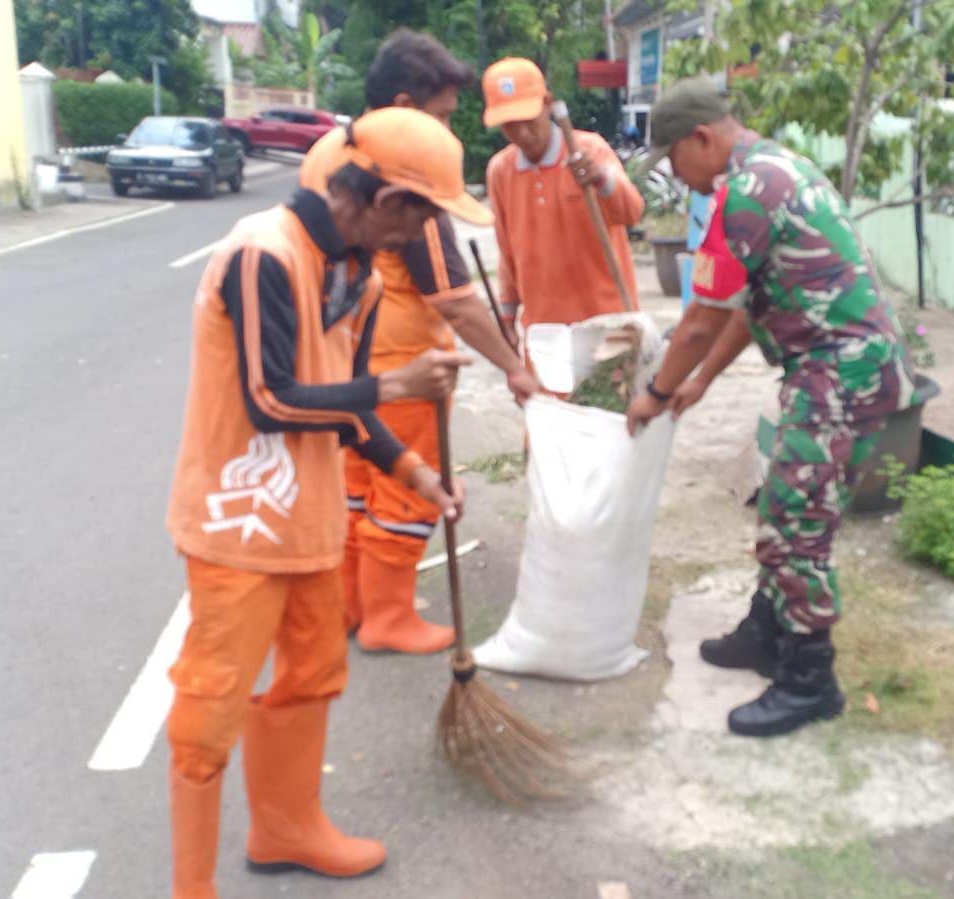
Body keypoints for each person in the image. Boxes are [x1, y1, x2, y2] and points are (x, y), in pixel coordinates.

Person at [163, 107, 491, 898]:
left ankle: (285, 827)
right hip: (237, 526)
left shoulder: (361, 274)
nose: (424, 232)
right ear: (382, 199)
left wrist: (416, 474)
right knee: (210, 711)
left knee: (312, 675)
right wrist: (396, 382)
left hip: (307, 523)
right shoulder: (260, 255)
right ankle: (191, 886)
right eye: (424, 213)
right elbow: (272, 396)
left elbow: (342, 407)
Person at [627, 78, 915, 738]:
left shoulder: (745, 192)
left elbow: (699, 318)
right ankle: (766, 629)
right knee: (790, 507)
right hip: (837, 369)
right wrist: (698, 381)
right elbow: (739, 309)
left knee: (794, 524)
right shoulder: (776, 167)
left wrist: (659, 390)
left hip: (839, 375)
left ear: (701, 137)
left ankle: (810, 679)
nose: (675, 177)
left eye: (672, 159)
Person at [299, 30, 538, 656]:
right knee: (407, 493)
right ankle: (389, 616)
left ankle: (350, 605)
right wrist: (515, 367)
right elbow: (454, 299)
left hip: (343, 365)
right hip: (404, 367)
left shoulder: (329, 150)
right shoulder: (409, 179)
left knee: (355, 493)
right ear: (403, 105)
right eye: (438, 117)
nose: (447, 137)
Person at [482, 57, 644, 349]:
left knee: (609, 394)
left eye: (527, 121)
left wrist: (600, 178)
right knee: (547, 396)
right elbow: (507, 252)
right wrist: (506, 317)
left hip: (608, 323)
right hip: (545, 332)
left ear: (547, 103)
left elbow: (632, 212)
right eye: (509, 126)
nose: (522, 134)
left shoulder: (589, 150)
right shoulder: (500, 171)